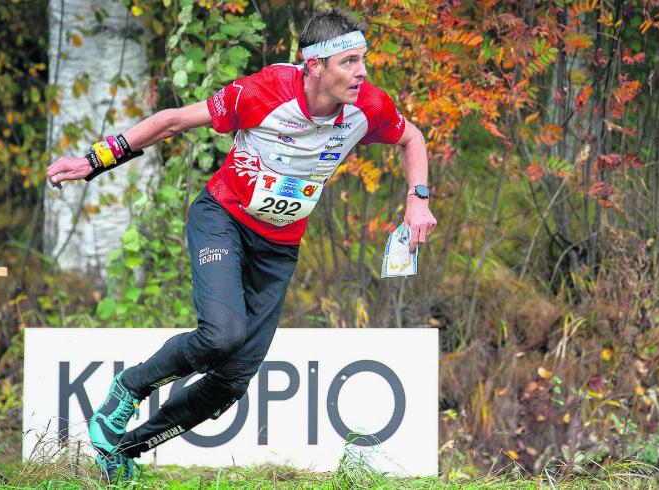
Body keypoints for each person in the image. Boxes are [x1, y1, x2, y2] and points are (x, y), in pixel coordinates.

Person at [46, 8, 436, 482]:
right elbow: (172, 121)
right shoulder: (262, 92)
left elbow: (412, 136)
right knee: (222, 335)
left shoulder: (368, 106)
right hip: (222, 220)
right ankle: (128, 389)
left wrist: (417, 200)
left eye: (363, 60)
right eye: (349, 62)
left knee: (232, 379)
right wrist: (95, 160)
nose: (362, 72)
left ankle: (123, 448)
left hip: (279, 246)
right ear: (314, 65)